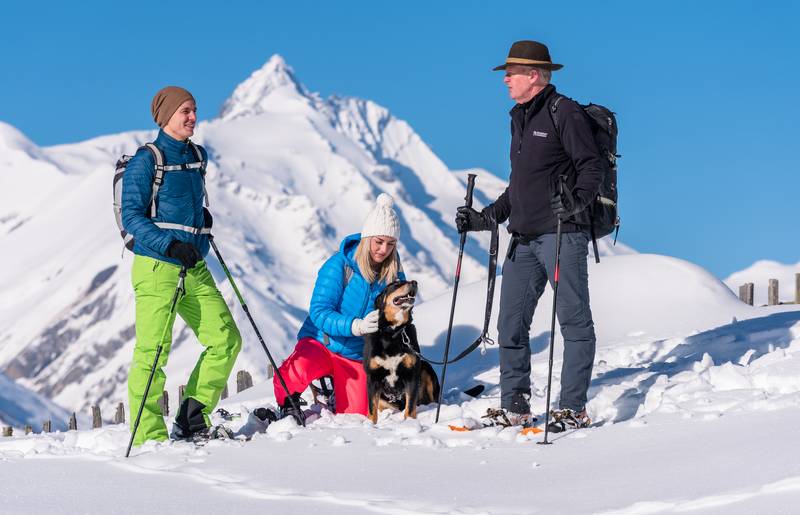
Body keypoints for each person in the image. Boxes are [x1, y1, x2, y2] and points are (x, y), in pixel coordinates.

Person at [456, 41, 604, 430]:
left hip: (561, 234)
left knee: (573, 321)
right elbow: (519, 187)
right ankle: (516, 405)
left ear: (534, 76)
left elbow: (592, 169)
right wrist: (483, 218)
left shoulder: (564, 112)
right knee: (511, 325)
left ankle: (573, 407)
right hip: (523, 238)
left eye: (512, 72)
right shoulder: (518, 118)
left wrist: (576, 204)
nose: (505, 79)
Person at [122, 86, 242, 444]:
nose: (192, 117)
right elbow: (131, 216)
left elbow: (186, 209)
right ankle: (148, 437)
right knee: (153, 352)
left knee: (226, 340)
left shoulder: (197, 157)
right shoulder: (148, 159)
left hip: (193, 265)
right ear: (166, 117)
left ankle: (192, 417)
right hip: (157, 267)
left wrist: (201, 227)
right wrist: (171, 244)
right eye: (184, 111)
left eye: (194, 110)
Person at [274, 193, 404, 421]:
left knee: (355, 417)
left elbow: (398, 313)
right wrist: (355, 326)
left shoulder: (393, 273)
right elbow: (319, 311)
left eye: (390, 244)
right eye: (379, 241)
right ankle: (287, 400)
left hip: (355, 355)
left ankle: (331, 391)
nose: (384, 249)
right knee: (297, 371)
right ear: (367, 238)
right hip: (322, 343)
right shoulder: (340, 265)